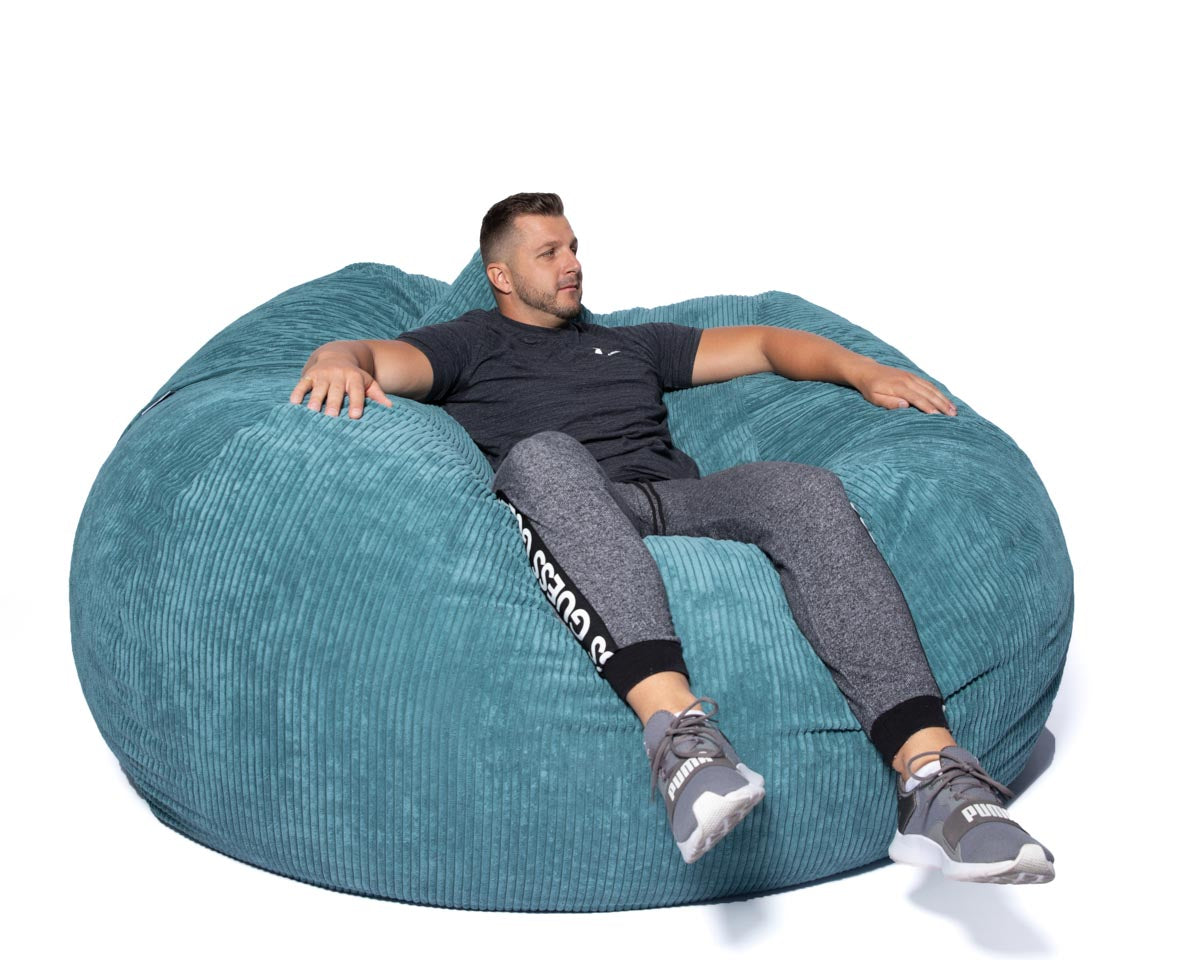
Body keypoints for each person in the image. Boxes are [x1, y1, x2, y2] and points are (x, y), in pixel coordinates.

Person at [288, 192, 1055, 883]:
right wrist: (332, 359)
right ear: (499, 273)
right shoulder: (467, 343)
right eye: (548, 253)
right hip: (579, 502)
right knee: (543, 455)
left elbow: (760, 342)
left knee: (799, 487)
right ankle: (683, 744)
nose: (572, 265)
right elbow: (369, 357)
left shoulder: (629, 343)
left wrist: (859, 372)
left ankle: (932, 780)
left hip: (680, 498)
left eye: (575, 246)